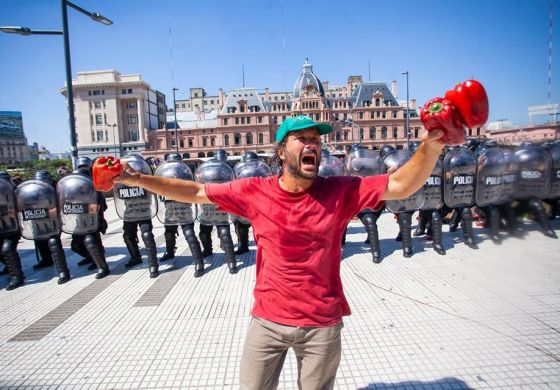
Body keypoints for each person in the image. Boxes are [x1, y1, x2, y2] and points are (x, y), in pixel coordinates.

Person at [114, 116, 445, 389]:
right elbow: (196, 190)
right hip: (268, 321)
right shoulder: (255, 191)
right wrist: (138, 178)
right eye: (301, 138)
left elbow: (400, 184)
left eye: (316, 139)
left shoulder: (340, 190)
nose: (312, 144)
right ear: (282, 151)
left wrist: (430, 147)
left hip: (321, 324)